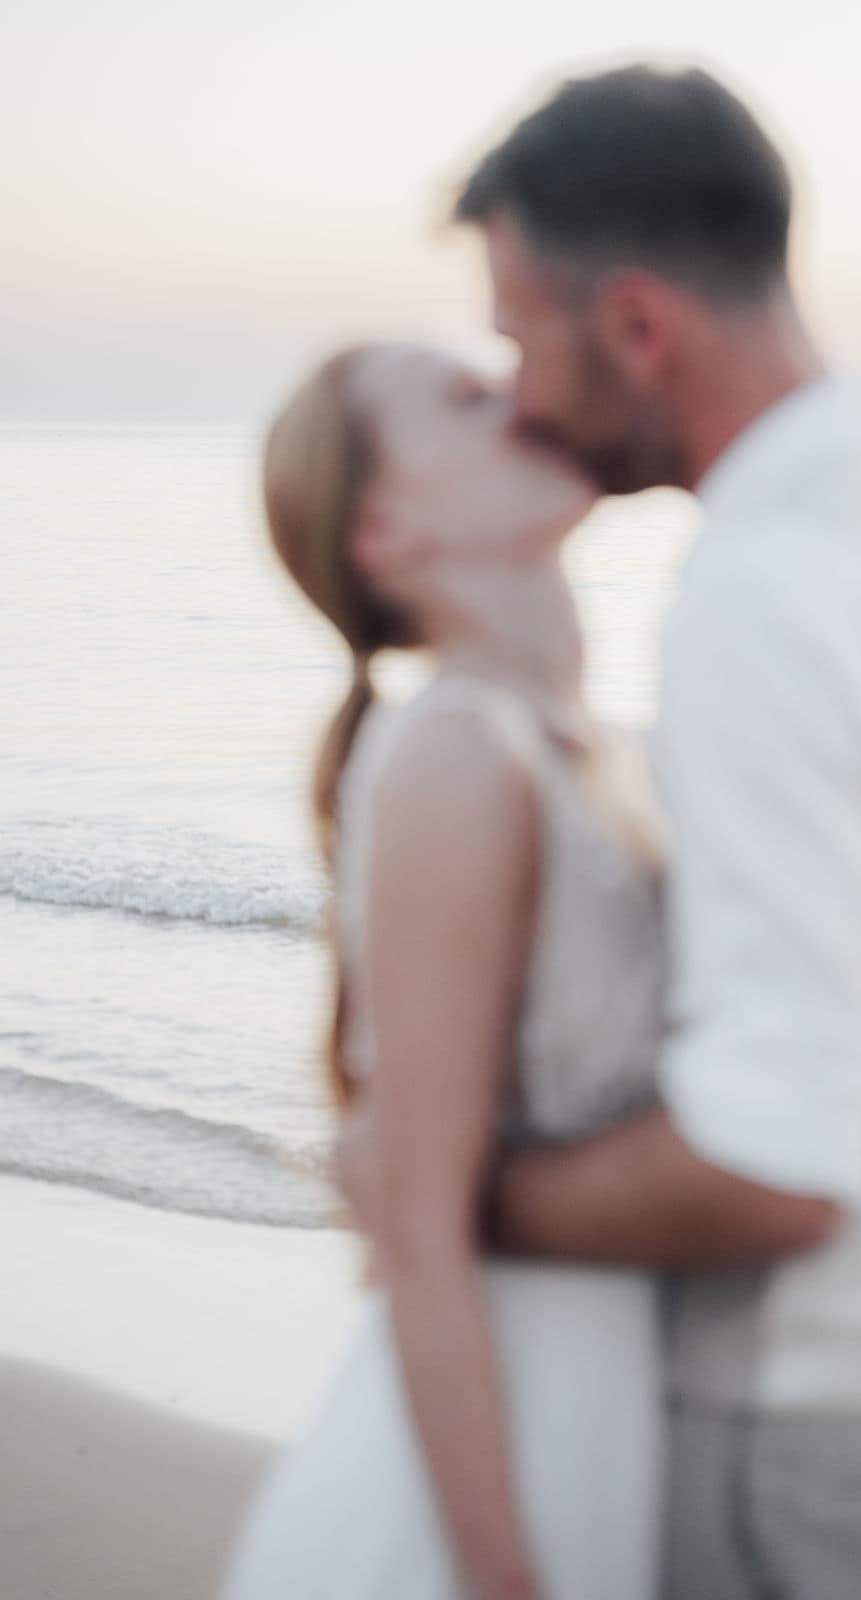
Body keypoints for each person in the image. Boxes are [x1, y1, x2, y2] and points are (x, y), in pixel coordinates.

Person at [339, 65, 861, 1599]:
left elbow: (771, 1169)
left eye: (516, 338)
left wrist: (442, 1193)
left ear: (637, 327)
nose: (522, 394)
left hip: (815, 1425)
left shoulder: (767, 587)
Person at [220, 342, 681, 1600]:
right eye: (469, 402)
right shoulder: (456, 752)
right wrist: (501, 1579)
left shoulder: (608, 749)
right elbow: (419, 1234)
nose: (524, 397)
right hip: (504, 1446)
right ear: (385, 530)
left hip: (631, 1410)